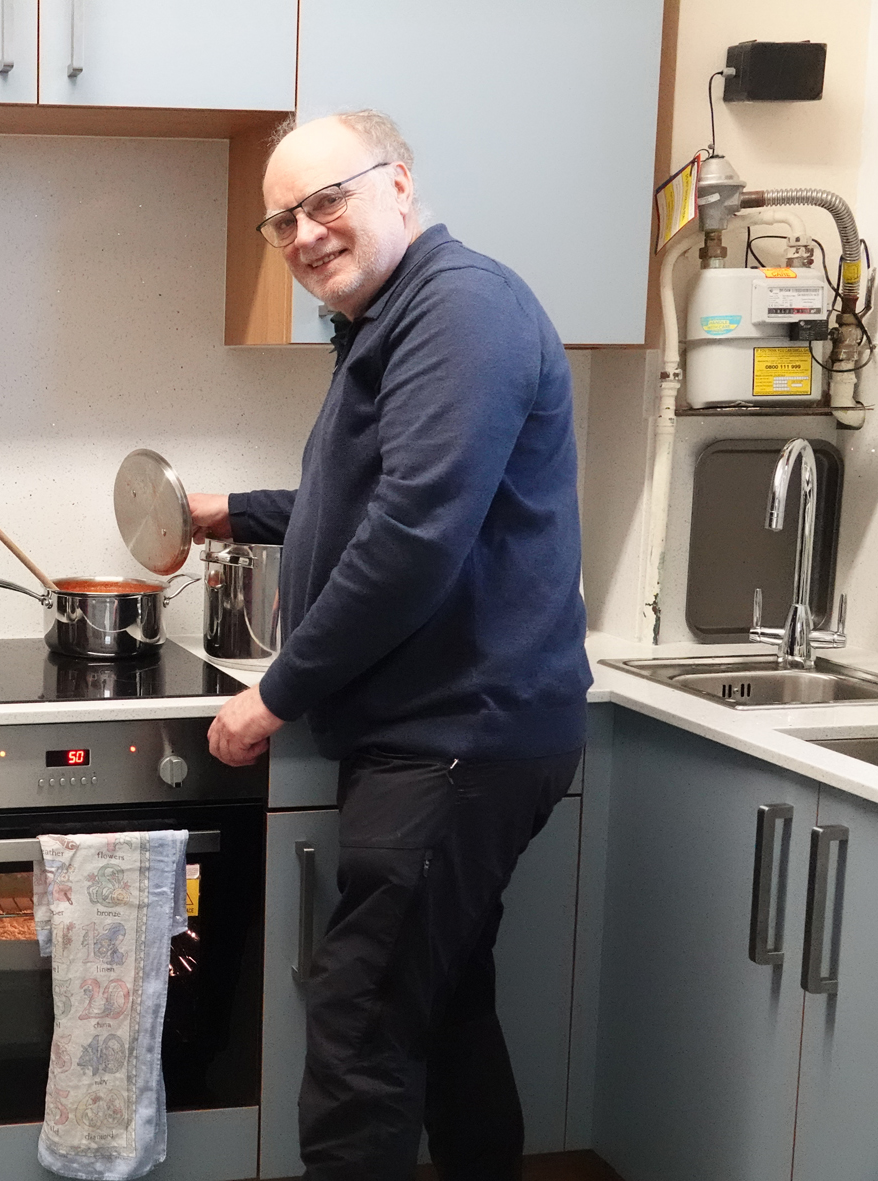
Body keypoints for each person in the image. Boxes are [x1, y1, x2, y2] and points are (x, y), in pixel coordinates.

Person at [191, 111, 589, 1179]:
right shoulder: (389, 317)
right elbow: (361, 498)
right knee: (442, 1004)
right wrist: (232, 510)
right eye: (281, 218)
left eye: (326, 200)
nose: (303, 233)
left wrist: (273, 693)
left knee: (359, 1029)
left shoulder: (459, 310)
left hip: (456, 735)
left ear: (398, 183)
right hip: (447, 731)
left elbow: (413, 533)